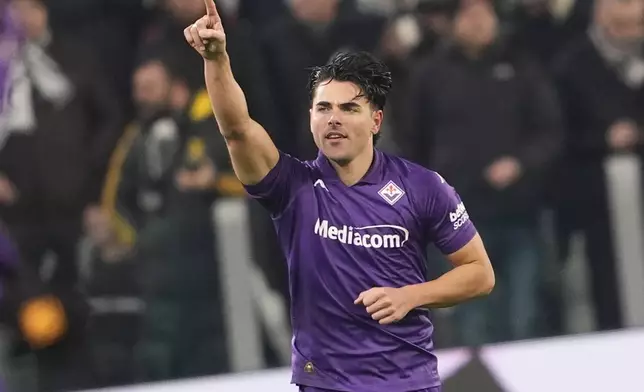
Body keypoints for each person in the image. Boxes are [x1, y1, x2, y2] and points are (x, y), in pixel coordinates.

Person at [183, 1, 495, 391]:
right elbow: (237, 129)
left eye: (349, 108)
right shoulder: (292, 188)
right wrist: (217, 59)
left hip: (407, 383)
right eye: (323, 108)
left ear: (375, 120)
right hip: (325, 385)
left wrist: (411, 297)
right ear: (311, 118)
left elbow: (480, 273)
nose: (334, 118)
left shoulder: (423, 186)